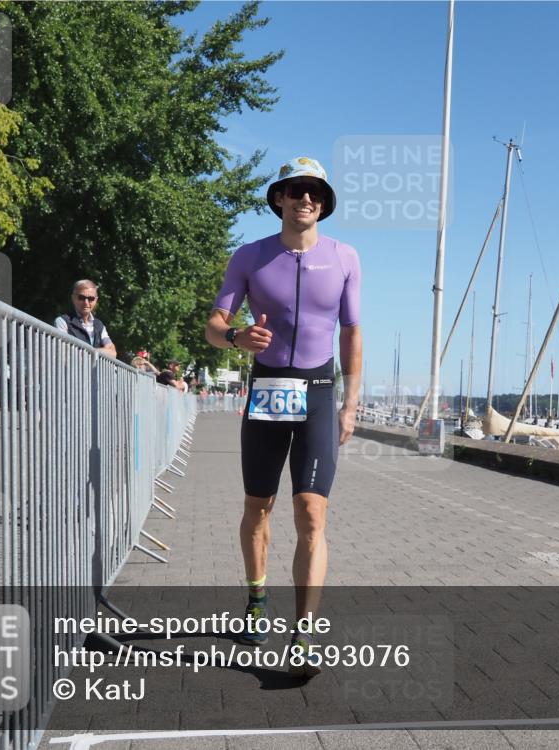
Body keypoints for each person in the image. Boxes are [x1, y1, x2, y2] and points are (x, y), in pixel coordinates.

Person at [205, 156, 362, 678]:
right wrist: (235, 337)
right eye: (295, 190)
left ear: (324, 203)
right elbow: (215, 324)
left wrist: (350, 403)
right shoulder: (249, 256)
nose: (305, 198)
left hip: (318, 390)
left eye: (315, 191)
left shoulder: (345, 258)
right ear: (279, 198)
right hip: (268, 389)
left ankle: (306, 633)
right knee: (259, 505)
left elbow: (351, 334)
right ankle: (256, 596)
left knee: (312, 513)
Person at [55, 280, 116, 358]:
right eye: (81, 297)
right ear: (73, 298)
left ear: (96, 300)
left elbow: (113, 353)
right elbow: (63, 354)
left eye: (91, 298)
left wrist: (93, 352)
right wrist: (100, 352)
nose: (86, 303)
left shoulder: (99, 325)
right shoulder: (62, 322)